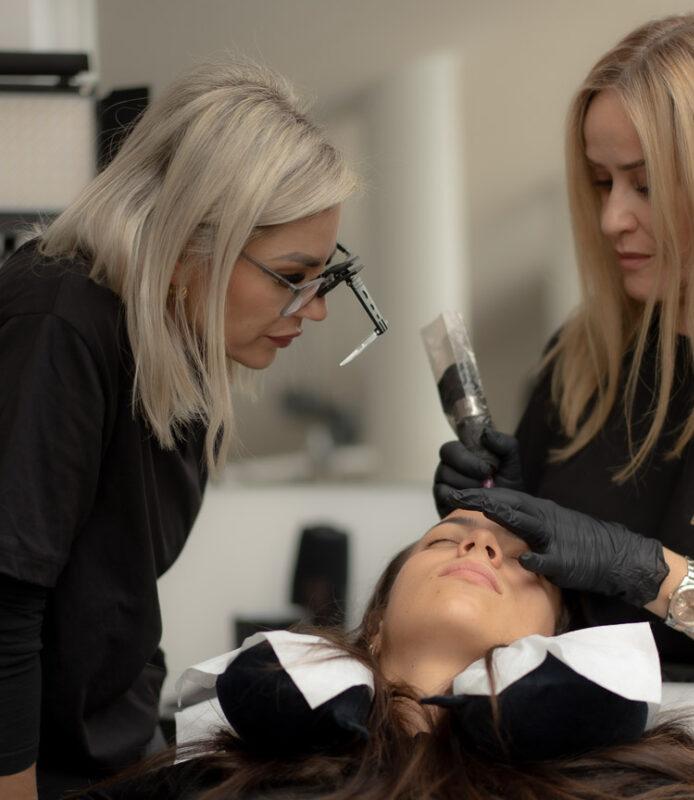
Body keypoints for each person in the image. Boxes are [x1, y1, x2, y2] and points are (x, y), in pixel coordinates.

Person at [0, 55, 368, 799]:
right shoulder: (60, 321)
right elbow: (5, 607)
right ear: (188, 242)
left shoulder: (177, 350)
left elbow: (117, 599)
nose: (317, 308)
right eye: (292, 277)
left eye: (324, 277)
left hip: (111, 753)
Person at [434, 11, 694, 688]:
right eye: (603, 182)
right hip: (571, 733)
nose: (611, 219)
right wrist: (501, 530)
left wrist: (645, 572)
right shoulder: (584, 357)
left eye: (646, 184)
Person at [76, 509, 694, 799]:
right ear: (374, 625)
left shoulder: (625, 786)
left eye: (526, 562)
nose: (480, 545)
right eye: (443, 539)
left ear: (554, 641)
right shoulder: (225, 777)